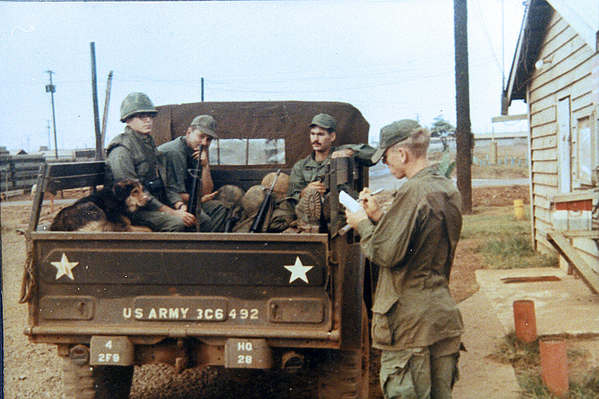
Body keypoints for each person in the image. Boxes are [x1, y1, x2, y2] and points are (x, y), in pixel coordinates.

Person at [345, 119, 464, 399]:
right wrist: (378, 217)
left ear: (403, 154)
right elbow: (420, 240)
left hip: (409, 323)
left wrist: (361, 223)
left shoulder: (412, 192)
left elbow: (385, 253)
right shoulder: (446, 188)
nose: (386, 164)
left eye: (386, 157)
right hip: (441, 316)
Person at [106, 92, 194, 232]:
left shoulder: (150, 145)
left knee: (199, 217)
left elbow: (167, 181)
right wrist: (172, 213)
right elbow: (132, 192)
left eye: (151, 116)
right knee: (176, 223)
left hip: (155, 204)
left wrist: (179, 205)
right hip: (134, 210)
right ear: (127, 120)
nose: (148, 120)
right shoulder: (121, 150)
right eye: (142, 116)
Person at [288, 113, 375, 232]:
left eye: (320, 134)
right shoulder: (301, 166)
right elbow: (292, 197)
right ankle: (313, 227)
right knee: (307, 201)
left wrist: (350, 152)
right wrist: (305, 192)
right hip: (311, 213)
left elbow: (373, 154)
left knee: (335, 198)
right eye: (312, 134)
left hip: (340, 209)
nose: (315, 139)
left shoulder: (341, 152)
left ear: (332, 136)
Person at [158, 115, 227, 232]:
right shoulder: (175, 152)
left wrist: (205, 165)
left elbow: (207, 191)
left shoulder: (197, 150)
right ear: (189, 132)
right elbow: (175, 194)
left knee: (219, 208)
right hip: (166, 203)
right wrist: (202, 200)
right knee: (204, 220)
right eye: (201, 136)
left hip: (186, 200)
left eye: (209, 139)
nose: (204, 143)